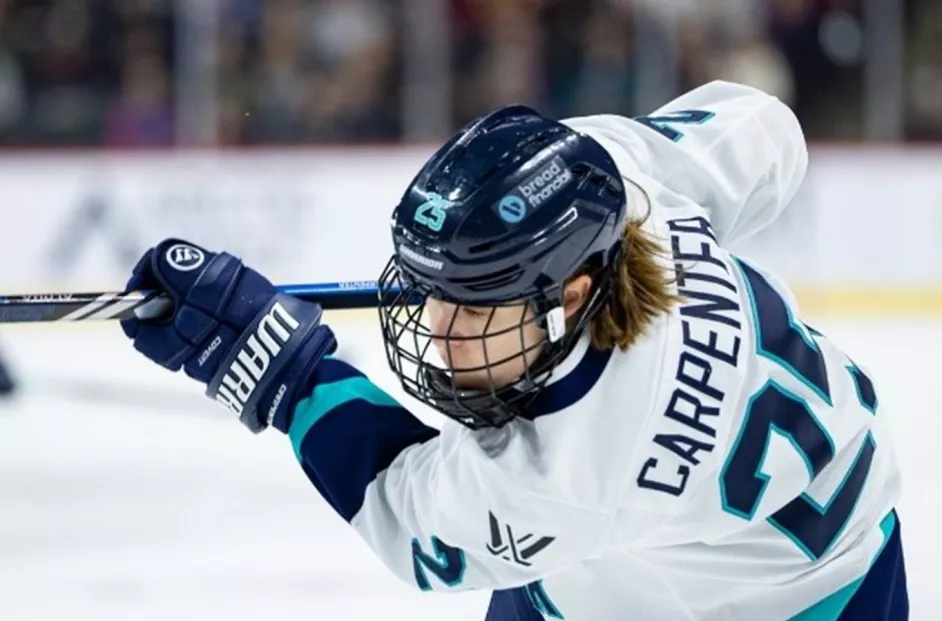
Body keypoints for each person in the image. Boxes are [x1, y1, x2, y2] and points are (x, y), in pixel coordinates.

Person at [119, 80, 908, 620]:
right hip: (677, 538)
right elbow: (765, 129)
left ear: (567, 298)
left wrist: (275, 367)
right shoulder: (619, 185)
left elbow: (406, 513)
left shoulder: (569, 469)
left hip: (795, 600)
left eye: (471, 304)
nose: (434, 325)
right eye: (436, 288)